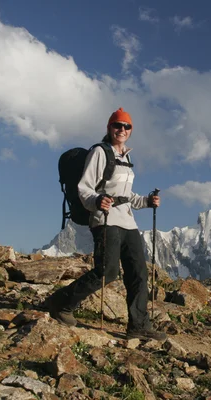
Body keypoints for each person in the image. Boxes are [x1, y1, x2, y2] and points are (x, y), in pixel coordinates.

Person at [45, 107, 167, 341]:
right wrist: (97, 200)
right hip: (105, 220)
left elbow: (127, 195)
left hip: (128, 222)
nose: (121, 129)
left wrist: (147, 202)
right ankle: (60, 303)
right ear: (109, 128)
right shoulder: (100, 153)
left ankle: (139, 325)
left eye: (126, 126)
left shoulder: (126, 157)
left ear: (131, 130)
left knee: (138, 273)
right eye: (117, 125)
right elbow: (84, 188)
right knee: (107, 272)